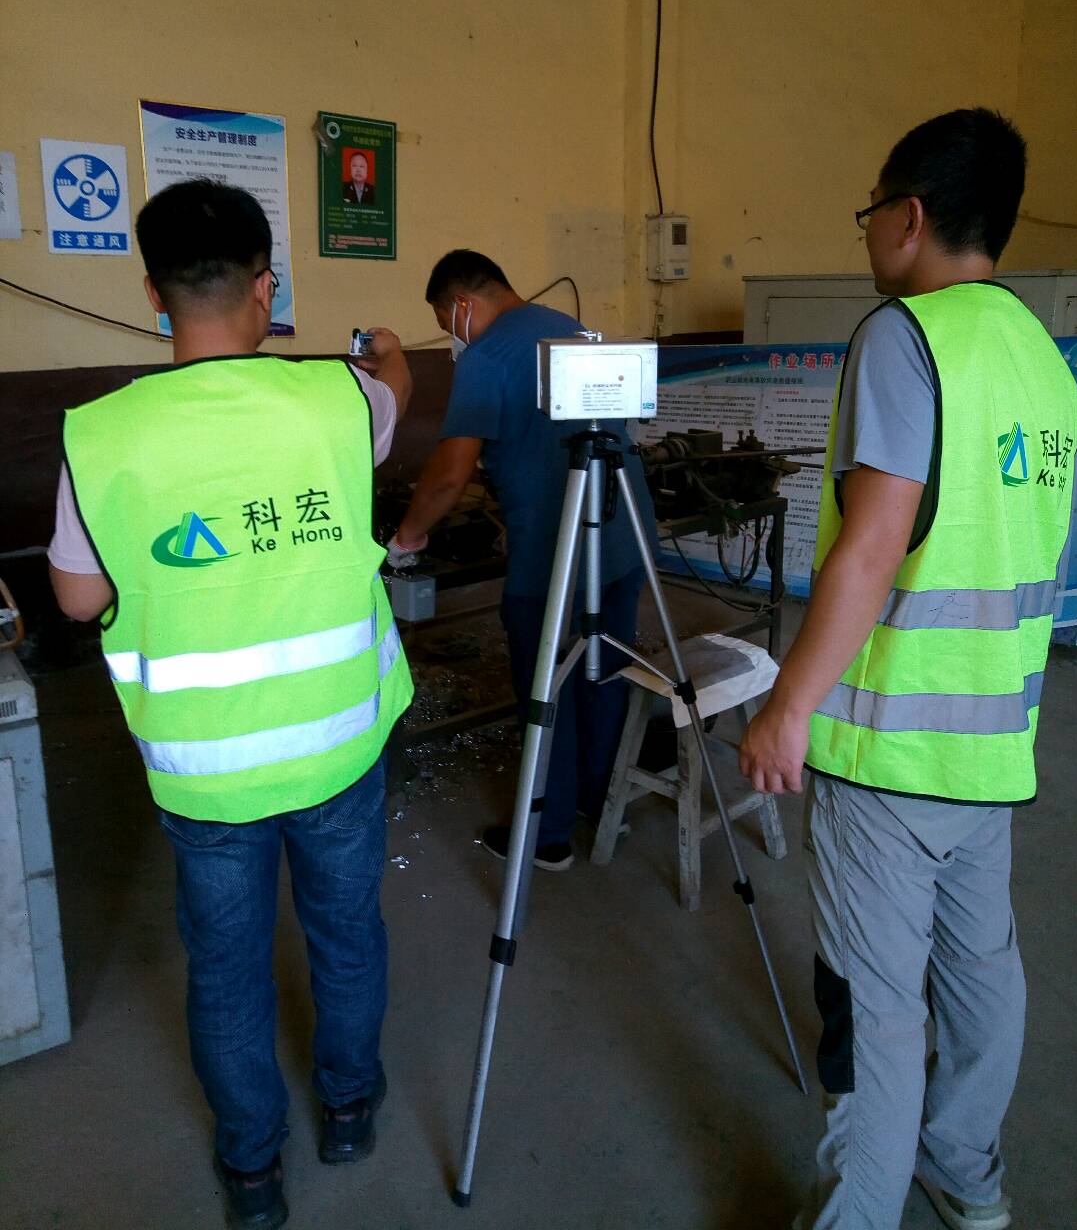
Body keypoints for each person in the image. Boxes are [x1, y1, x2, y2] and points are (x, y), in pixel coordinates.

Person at [48, 179, 413, 1230]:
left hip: (206, 773)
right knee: (347, 937)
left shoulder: (101, 435)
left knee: (225, 970)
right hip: (339, 747)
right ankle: (349, 1111)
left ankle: (252, 1173)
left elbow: (77, 598)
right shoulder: (342, 398)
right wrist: (387, 353)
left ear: (154, 294)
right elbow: (395, 394)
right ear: (267, 289)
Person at [739, 109, 1077, 1230]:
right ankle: (969, 1178)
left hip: (889, 748)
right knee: (984, 973)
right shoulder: (1042, 357)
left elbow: (874, 544)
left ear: (909, 215)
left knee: (878, 1016)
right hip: (992, 743)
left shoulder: (905, 335)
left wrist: (789, 704)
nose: (867, 234)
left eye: (870, 211)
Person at [390, 249, 656, 870]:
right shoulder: (570, 327)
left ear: (462, 303)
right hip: (622, 532)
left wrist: (408, 537)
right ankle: (602, 803)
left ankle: (548, 834)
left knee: (544, 688)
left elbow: (448, 477)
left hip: (553, 549)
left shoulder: (485, 357)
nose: (451, 335)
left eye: (444, 320)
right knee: (603, 669)